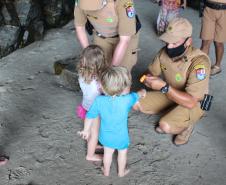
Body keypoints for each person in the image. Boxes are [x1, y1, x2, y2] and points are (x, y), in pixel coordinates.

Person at [134, 18, 211, 145]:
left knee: (165, 125)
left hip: (194, 101)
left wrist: (164, 87)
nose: (169, 47)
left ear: (188, 42)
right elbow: (150, 72)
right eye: (167, 42)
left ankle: (187, 126)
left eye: (174, 43)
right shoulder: (164, 52)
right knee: (135, 101)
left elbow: (192, 101)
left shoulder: (199, 63)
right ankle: (174, 112)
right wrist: (146, 78)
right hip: (171, 92)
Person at [78, 66, 146, 177]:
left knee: (107, 154)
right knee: (122, 154)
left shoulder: (99, 100)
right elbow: (139, 94)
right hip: (121, 136)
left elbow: (90, 116)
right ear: (123, 87)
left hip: (106, 136)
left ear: (103, 88)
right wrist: (143, 91)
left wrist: (86, 130)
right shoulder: (127, 99)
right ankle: (121, 172)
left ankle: (106, 171)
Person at [74, 0, 141, 72]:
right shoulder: (80, 2)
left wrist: (111, 70)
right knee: (99, 67)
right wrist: (88, 51)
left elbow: (124, 41)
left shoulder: (124, 2)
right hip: (101, 35)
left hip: (125, 37)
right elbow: (80, 27)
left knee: (121, 71)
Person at [76, 44, 109, 120]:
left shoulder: (82, 74)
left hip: (86, 105)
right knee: (96, 126)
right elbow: (106, 92)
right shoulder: (99, 80)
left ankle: (86, 130)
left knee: (88, 121)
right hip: (97, 108)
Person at [200, 0, 226, 75]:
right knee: (205, 42)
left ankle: (217, 66)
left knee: (219, 42)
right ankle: (202, 69)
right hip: (208, 8)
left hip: (224, 10)